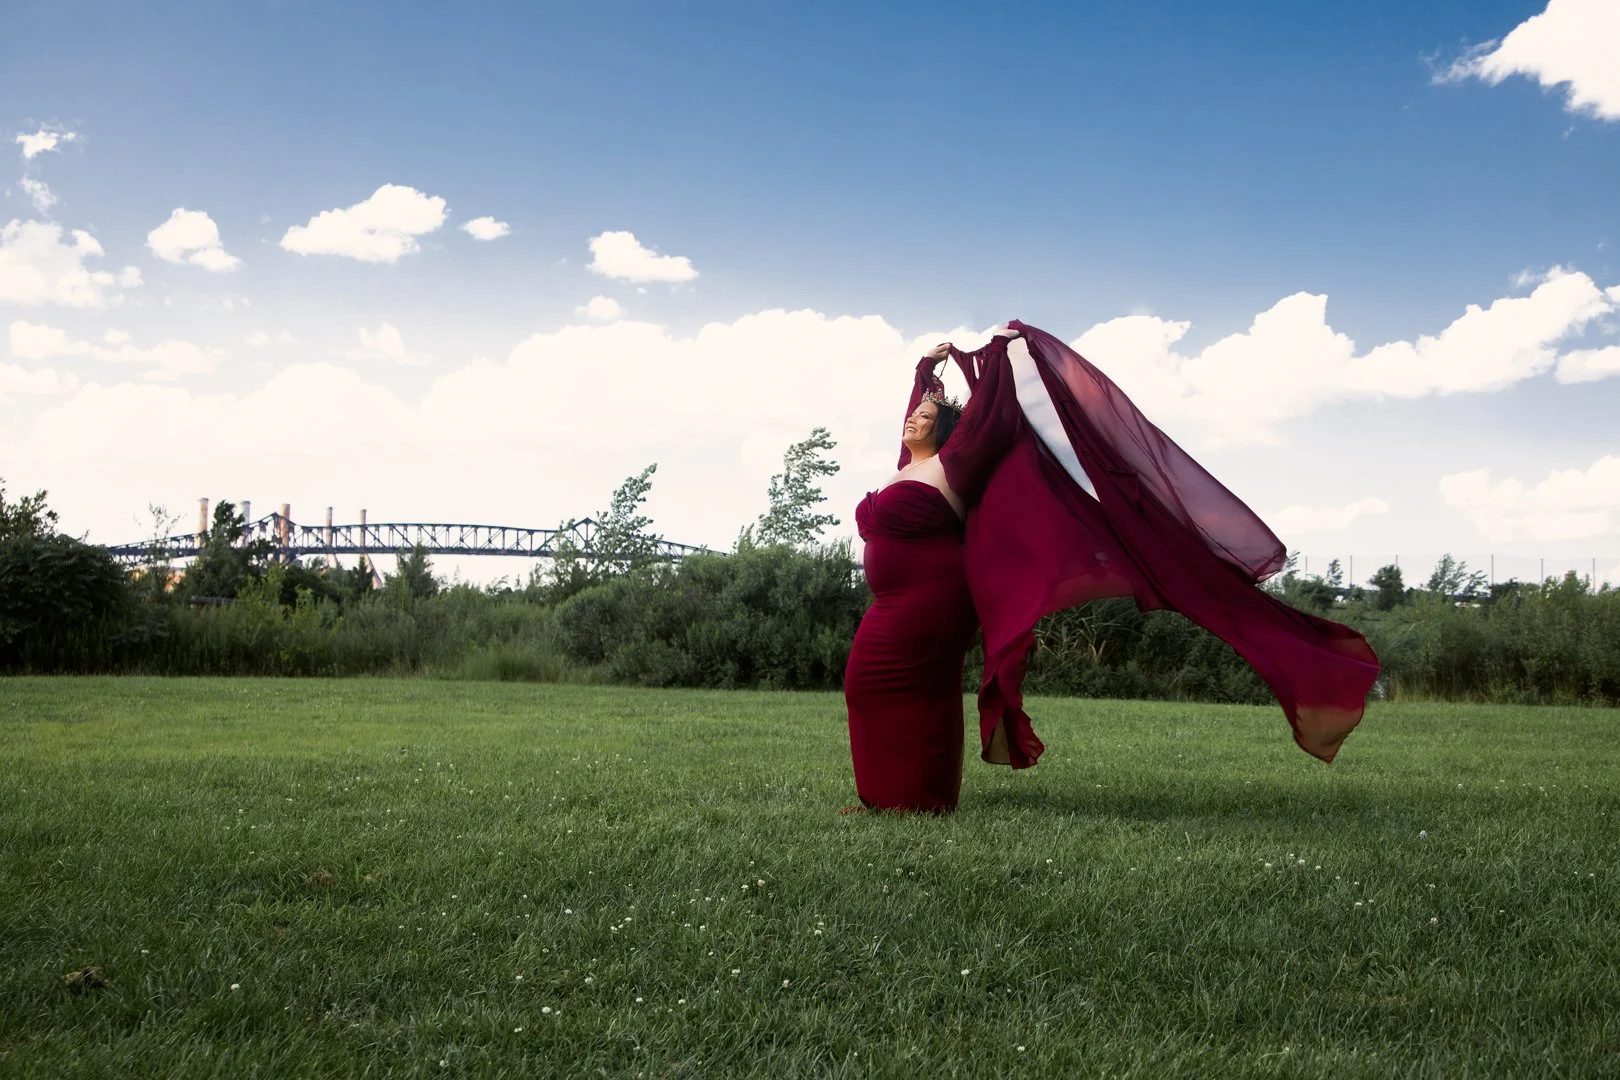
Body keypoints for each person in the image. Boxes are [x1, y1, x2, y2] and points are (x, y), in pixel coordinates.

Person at [843, 322, 1380, 813]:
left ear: (946, 433)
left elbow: (990, 416)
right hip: (894, 602)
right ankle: (890, 797)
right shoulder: (906, 467)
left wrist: (1002, 355)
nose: (915, 417)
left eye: (928, 416)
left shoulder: (953, 465)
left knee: (908, 688)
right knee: (869, 687)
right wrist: (925, 372)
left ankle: (918, 800)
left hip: (930, 600)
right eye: (916, 413)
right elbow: (919, 410)